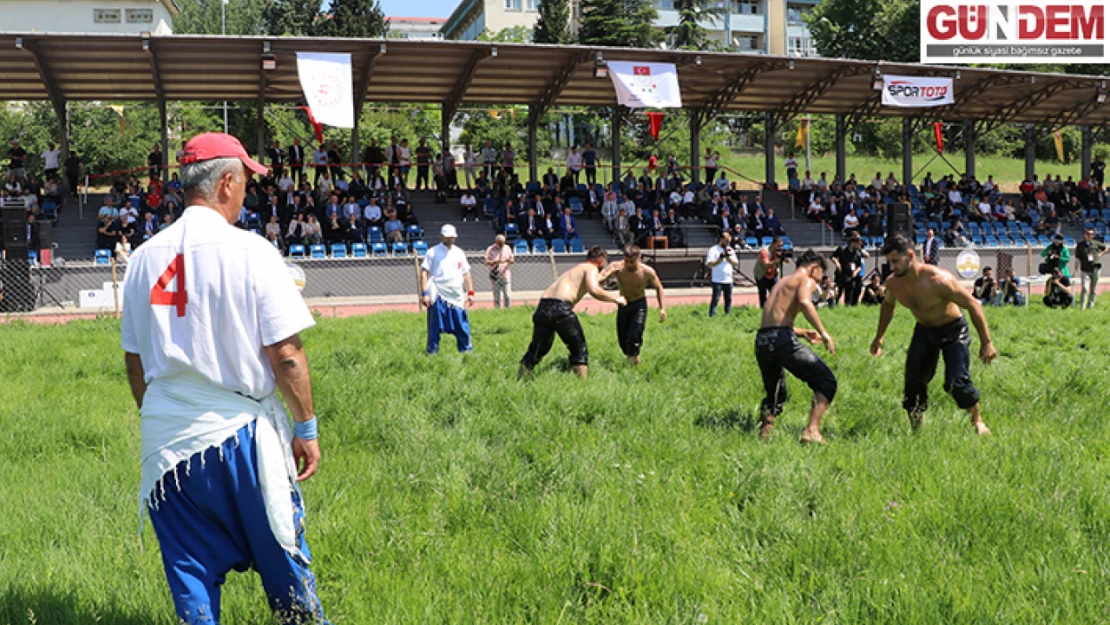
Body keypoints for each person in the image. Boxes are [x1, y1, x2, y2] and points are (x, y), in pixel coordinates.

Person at [119, 132, 326, 624]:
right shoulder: (251, 251)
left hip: (167, 443)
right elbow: (287, 354)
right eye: (247, 182)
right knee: (284, 563)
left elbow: (134, 362)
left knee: (190, 575)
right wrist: (307, 428)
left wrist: (166, 412)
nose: (248, 193)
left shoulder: (144, 257)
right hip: (241, 440)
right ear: (227, 183)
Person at [871, 235, 995, 435]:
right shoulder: (894, 283)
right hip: (924, 331)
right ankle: (916, 431)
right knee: (914, 381)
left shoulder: (939, 280)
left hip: (953, 330)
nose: (891, 267)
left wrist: (987, 342)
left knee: (957, 382)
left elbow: (972, 304)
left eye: (895, 261)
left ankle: (977, 421)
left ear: (910, 256)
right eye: (889, 262)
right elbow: (888, 305)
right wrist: (879, 337)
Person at [754, 250, 836, 443]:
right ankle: (812, 430)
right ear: (814, 268)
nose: (820, 279)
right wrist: (824, 333)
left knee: (773, 393)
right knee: (826, 381)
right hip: (782, 340)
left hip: (763, 340)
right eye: (821, 274)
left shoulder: (780, 283)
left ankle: (764, 438)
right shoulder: (806, 279)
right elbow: (805, 302)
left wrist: (803, 332)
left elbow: (774, 321)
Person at [519, 246, 626, 379]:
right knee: (579, 350)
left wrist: (609, 271)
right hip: (561, 309)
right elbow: (594, 289)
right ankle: (582, 386)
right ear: (601, 261)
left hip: (543, 307)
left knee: (536, 350)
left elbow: (596, 279)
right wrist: (616, 298)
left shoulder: (577, 269)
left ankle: (520, 381)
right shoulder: (591, 268)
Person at [598, 245, 667, 366]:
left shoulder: (647, 271)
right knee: (623, 340)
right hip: (624, 305)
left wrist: (662, 308)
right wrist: (606, 273)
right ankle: (633, 358)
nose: (629, 264)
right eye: (627, 261)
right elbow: (600, 279)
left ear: (638, 258)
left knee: (634, 335)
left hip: (639, 305)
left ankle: (633, 366)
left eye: (632, 262)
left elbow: (659, 287)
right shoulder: (617, 267)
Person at [420, 224, 475, 355]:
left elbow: (466, 273)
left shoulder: (459, 252)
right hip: (438, 291)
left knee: (461, 324)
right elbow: (424, 273)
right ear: (442, 237)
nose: (451, 239)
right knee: (435, 325)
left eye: (453, 237)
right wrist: (424, 293)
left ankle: (466, 351)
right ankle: (432, 351)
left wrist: (470, 292)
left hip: (455, 293)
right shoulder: (432, 252)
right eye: (448, 237)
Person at [705, 232, 739, 317]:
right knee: (715, 299)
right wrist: (720, 259)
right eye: (726, 241)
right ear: (721, 239)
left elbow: (735, 263)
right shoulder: (713, 250)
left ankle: (728, 315)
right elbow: (709, 263)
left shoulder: (730, 250)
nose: (728, 243)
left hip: (728, 280)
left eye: (729, 242)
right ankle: (712, 316)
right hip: (717, 280)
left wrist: (728, 258)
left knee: (728, 300)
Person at [1075, 227, 1107, 309]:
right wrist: (1076, 270)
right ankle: (1082, 306)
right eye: (1088, 234)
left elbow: (1106, 248)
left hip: (1095, 268)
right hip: (1085, 269)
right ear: (1084, 235)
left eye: (1092, 234)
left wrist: (1100, 255)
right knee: (1085, 288)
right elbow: (1077, 258)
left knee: (1093, 289)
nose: (1090, 236)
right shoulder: (1080, 245)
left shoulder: (1096, 243)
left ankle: (1091, 306)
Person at [831, 234, 868, 306]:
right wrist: (837, 263)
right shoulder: (842, 249)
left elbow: (859, 265)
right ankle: (833, 305)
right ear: (853, 243)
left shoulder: (857, 253)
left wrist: (856, 271)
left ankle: (848, 306)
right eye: (858, 244)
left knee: (850, 293)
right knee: (839, 292)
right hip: (841, 274)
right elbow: (833, 257)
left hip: (851, 276)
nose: (860, 246)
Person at [754, 237, 787, 307]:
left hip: (773, 275)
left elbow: (787, 261)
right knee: (763, 295)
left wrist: (783, 257)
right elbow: (766, 264)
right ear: (773, 244)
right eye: (778, 246)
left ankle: (773, 309)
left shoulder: (778, 252)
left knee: (776, 293)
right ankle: (763, 310)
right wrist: (776, 261)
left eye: (781, 246)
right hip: (762, 275)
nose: (780, 248)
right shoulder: (764, 251)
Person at [484, 233, 514, 309]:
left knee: (507, 295)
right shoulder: (490, 249)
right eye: (500, 244)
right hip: (495, 275)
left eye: (503, 244)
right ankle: (497, 310)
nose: (501, 246)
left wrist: (509, 260)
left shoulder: (507, 248)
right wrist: (495, 261)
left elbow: (512, 259)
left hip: (505, 274)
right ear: (496, 242)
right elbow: (486, 262)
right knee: (497, 296)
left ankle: (508, 309)